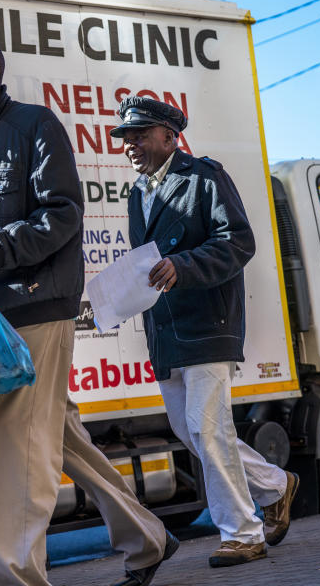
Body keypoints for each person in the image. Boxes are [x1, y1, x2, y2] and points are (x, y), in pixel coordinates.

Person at [0, 33, 178, 586]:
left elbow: (62, 215)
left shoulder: (37, 126)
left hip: (38, 308)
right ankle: (148, 538)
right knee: (52, 435)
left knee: (16, 445)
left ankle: (17, 577)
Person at [113, 95, 299, 568]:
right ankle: (277, 486)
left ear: (170, 136)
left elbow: (238, 242)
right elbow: (148, 264)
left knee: (206, 426)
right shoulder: (138, 193)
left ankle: (242, 532)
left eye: (139, 134)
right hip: (166, 330)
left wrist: (183, 265)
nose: (130, 143)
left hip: (208, 324)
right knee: (191, 429)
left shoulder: (203, 177)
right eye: (126, 137)